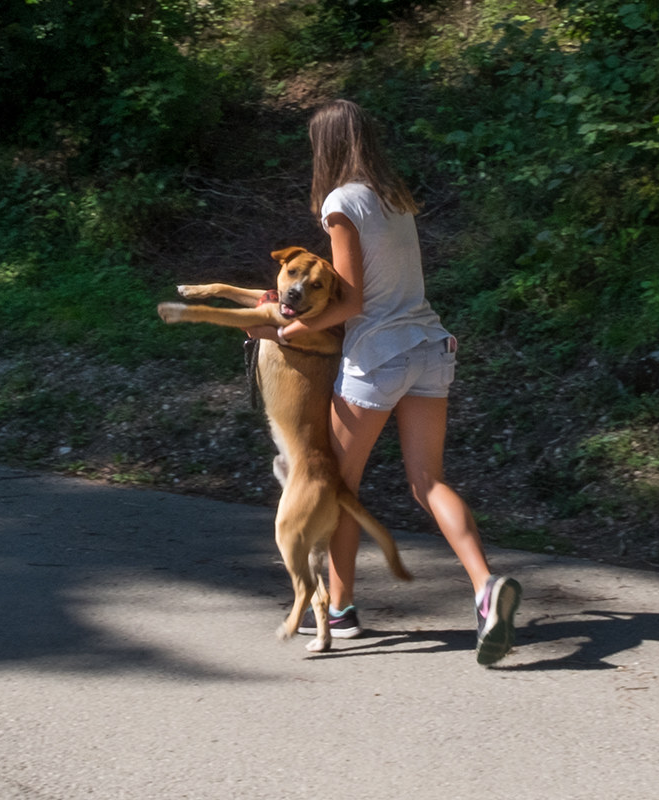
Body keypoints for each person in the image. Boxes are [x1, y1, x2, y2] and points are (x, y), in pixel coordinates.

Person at [248, 99, 521, 666]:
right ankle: (485, 587)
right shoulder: (395, 199)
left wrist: (287, 327)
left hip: (378, 356)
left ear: (323, 147)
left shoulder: (340, 203)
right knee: (428, 482)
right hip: (430, 347)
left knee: (339, 485)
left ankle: (342, 609)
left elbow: (351, 299)